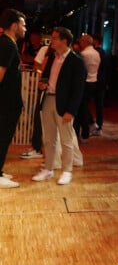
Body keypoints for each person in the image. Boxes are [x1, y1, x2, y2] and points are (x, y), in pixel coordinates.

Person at [32, 27, 86, 185]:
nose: (52, 41)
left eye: (55, 38)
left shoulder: (76, 60)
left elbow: (78, 89)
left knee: (66, 139)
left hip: (65, 104)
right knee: (49, 138)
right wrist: (42, 84)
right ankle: (48, 169)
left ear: (64, 41)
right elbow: (46, 76)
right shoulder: (52, 57)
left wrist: (71, 110)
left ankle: (67, 170)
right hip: (48, 99)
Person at [0, 8, 27, 189]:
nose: (25, 29)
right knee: (2, 137)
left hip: (7, 102)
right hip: (5, 104)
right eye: (23, 25)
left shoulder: (7, 43)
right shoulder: (7, 45)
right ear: (14, 26)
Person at [74, 34, 101, 142]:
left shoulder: (84, 54)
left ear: (84, 42)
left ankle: (85, 132)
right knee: (84, 107)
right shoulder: (96, 53)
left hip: (84, 83)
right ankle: (89, 128)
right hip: (93, 82)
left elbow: (80, 70)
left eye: (81, 41)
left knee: (81, 109)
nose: (80, 44)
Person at [90, 33, 108, 136]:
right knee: (99, 105)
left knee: (85, 102)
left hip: (94, 80)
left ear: (95, 41)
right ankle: (99, 126)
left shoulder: (95, 53)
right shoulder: (104, 53)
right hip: (102, 81)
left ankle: (92, 124)